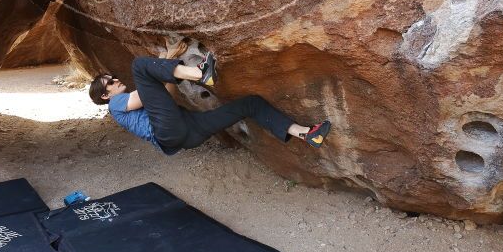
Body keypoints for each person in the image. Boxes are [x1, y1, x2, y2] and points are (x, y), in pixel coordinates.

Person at [88, 51, 331, 155]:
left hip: (188, 133)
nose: (114, 79)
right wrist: (165, 59)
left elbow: (162, 93)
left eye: (111, 78)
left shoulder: (128, 101)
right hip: (169, 131)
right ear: (105, 96)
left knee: (251, 103)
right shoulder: (115, 105)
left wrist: (168, 59)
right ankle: (202, 73)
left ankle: (308, 134)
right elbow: (144, 94)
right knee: (139, 66)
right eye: (108, 82)